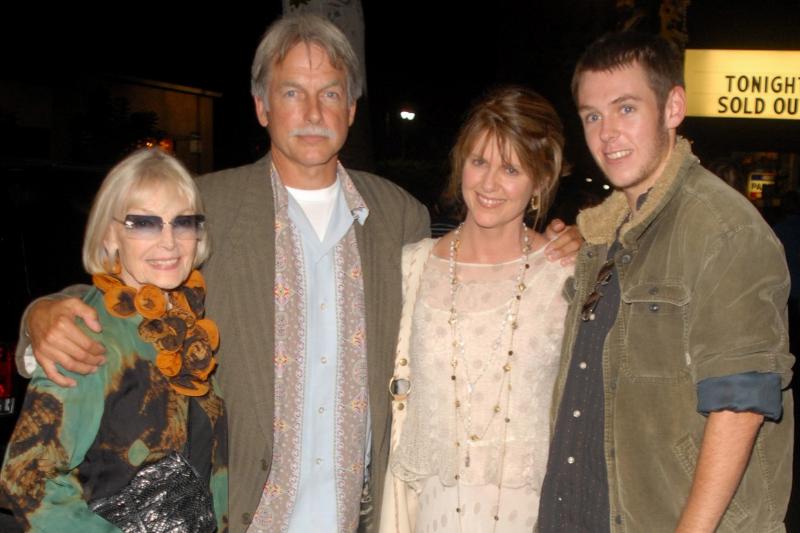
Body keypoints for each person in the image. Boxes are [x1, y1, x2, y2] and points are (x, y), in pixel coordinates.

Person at [14, 13, 581, 533]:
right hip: (244, 511)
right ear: (262, 107)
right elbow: (130, 272)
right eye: (293, 93)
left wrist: (564, 239)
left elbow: (477, 272)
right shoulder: (209, 204)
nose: (313, 113)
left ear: (352, 110)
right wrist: (42, 315)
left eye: (330, 93)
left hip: (357, 514)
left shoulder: (398, 217)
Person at [538, 31, 794, 532]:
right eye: (593, 115)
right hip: (585, 512)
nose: (607, 133)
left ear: (673, 107)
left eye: (626, 108)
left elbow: (740, 406)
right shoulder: (600, 238)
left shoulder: (722, 230)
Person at [0, 149, 227, 531]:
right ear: (110, 234)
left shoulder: (187, 328)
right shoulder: (89, 330)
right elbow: (27, 477)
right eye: (144, 223)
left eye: (183, 222)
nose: (170, 242)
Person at [380, 86, 571, 533]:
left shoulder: (566, 276)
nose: (488, 184)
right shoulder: (413, 266)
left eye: (510, 168)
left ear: (540, 181)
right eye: (479, 161)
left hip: (534, 513)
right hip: (434, 509)